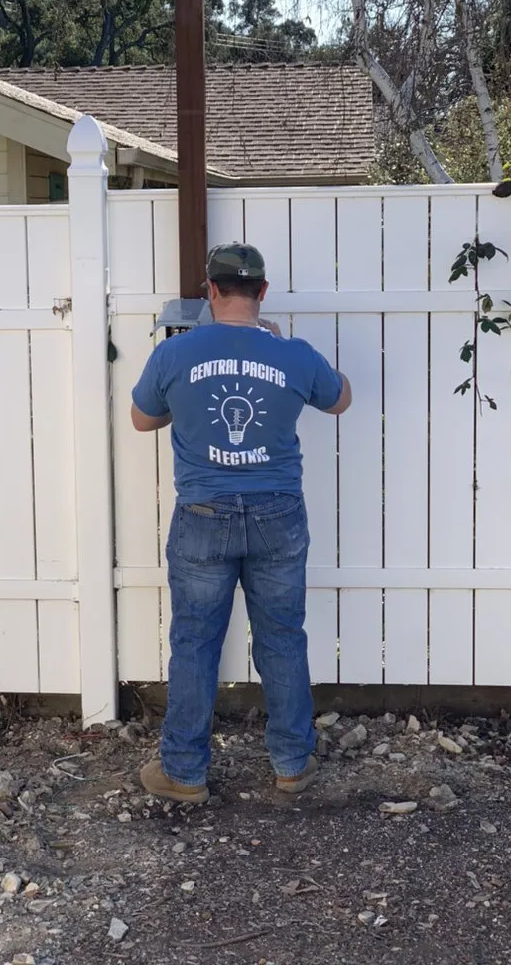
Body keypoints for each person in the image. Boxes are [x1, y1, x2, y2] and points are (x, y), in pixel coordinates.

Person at [130, 243, 352, 804]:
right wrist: (278, 350)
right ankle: (291, 766)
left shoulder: (177, 353)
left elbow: (140, 419)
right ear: (263, 293)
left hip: (202, 514)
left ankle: (183, 773)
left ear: (211, 290)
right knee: (281, 639)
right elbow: (340, 399)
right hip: (277, 511)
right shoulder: (292, 353)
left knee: (194, 642)